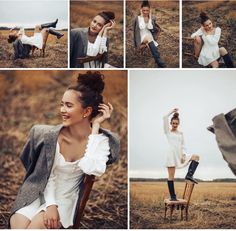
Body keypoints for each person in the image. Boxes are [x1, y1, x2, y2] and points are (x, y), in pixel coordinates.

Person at [9, 71, 120, 229]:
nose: (62, 110)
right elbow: (43, 173)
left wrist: (95, 127)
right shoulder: (51, 137)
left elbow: (90, 168)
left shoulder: (100, 142)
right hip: (39, 192)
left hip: (65, 199)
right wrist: (50, 204)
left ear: (86, 111)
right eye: (62, 104)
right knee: (18, 226)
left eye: (68, 105)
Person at [163, 108, 200, 201]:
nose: (175, 125)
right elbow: (164, 117)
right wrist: (172, 111)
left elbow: (183, 145)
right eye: (173, 123)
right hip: (171, 156)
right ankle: (173, 196)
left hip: (180, 155)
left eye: (176, 123)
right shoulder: (168, 132)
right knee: (171, 177)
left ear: (178, 124)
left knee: (196, 157)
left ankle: (189, 175)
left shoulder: (181, 133)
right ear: (171, 123)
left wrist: (184, 154)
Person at [133, 0, 166, 68]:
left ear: (149, 10)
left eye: (147, 10)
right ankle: (158, 60)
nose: (145, 12)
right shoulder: (138, 18)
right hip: (141, 37)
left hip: (149, 35)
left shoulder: (152, 18)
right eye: (144, 10)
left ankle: (157, 60)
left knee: (149, 38)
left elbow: (151, 28)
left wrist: (150, 17)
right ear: (141, 10)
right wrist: (142, 16)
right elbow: (140, 28)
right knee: (148, 38)